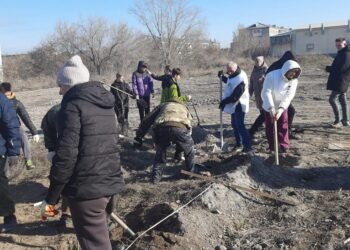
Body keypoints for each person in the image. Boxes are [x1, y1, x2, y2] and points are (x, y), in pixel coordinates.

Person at [40, 55, 124, 249]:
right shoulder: (105, 104)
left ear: (70, 84)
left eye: (61, 85)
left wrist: (51, 198)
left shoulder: (71, 107)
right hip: (110, 185)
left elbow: (66, 157)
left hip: (87, 192)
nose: (59, 90)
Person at [149, 99, 196, 183]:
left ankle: (155, 179)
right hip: (180, 128)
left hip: (162, 127)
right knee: (189, 151)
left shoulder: (163, 105)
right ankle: (190, 175)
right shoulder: (184, 108)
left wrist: (141, 136)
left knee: (160, 154)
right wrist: (180, 150)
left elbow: (148, 120)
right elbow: (188, 129)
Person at [261, 58, 302, 153]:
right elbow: (266, 92)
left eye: (295, 73)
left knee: (283, 124)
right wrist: (271, 108)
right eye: (291, 72)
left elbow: (289, 96)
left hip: (282, 105)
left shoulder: (294, 81)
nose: (292, 75)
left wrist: (281, 109)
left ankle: (284, 145)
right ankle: (272, 147)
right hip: (269, 104)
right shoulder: (272, 76)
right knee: (270, 126)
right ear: (286, 70)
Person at [0, 82, 40, 169]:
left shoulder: (16, 103)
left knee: (24, 139)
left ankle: (28, 161)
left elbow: (25, 117)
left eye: (8, 91)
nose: (6, 93)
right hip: (2, 128)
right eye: (4, 92)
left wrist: (34, 132)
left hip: (15, 126)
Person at [218, 61, 252, 153]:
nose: (229, 73)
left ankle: (248, 146)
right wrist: (222, 77)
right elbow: (230, 82)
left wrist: (224, 102)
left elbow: (235, 97)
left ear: (235, 69)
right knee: (234, 125)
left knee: (240, 126)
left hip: (240, 104)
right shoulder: (233, 74)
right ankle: (239, 144)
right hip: (234, 105)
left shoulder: (241, 78)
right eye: (228, 72)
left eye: (230, 72)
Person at [265, 51, 300, 140]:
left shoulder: (293, 76)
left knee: (287, 114)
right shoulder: (276, 68)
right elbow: (267, 90)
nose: (293, 73)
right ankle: (255, 131)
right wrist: (271, 107)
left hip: (282, 98)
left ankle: (286, 136)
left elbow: (289, 94)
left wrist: (281, 109)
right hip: (271, 96)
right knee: (268, 119)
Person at [0, 92, 21, 233]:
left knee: (0, 185)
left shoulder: (1, 100)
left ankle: (9, 217)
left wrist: (14, 149)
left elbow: (11, 123)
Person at [326, 37, 350, 128]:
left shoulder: (346, 54)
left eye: (339, 45)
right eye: (336, 45)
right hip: (342, 81)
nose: (338, 47)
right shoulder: (342, 53)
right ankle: (345, 121)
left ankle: (338, 121)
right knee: (342, 100)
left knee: (332, 99)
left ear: (344, 44)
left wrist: (329, 68)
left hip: (341, 81)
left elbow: (341, 68)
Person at [249, 56, 268, 138]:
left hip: (266, 95)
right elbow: (251, 83)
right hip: (258, 95)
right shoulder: (254, 71)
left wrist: (264, 78)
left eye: (258, 61)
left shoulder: (267, 70)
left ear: (262, 61)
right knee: (261, 111)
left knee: (264, 113)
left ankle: (254, 129)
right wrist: (249, 94)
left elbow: (271, 80)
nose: (257, 63)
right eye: (256, 61)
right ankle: (264, 125)